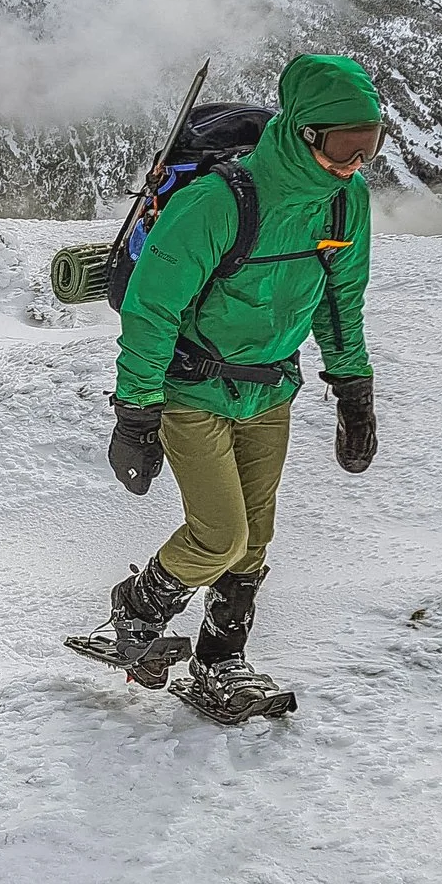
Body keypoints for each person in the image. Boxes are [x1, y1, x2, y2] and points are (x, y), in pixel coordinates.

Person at [98, 53, 383, 721]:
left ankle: (220, 662)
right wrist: (136, 412)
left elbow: (340, 301)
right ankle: (135, 611)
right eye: (345, 146)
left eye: (370, 146)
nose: (356, 163)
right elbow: (151, 309)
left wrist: (353, 388)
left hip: (270, 389)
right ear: (306, 133)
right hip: (192, 390)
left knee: (254, 539)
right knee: (219, 535)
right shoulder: (218, 201)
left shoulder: (345, 202)